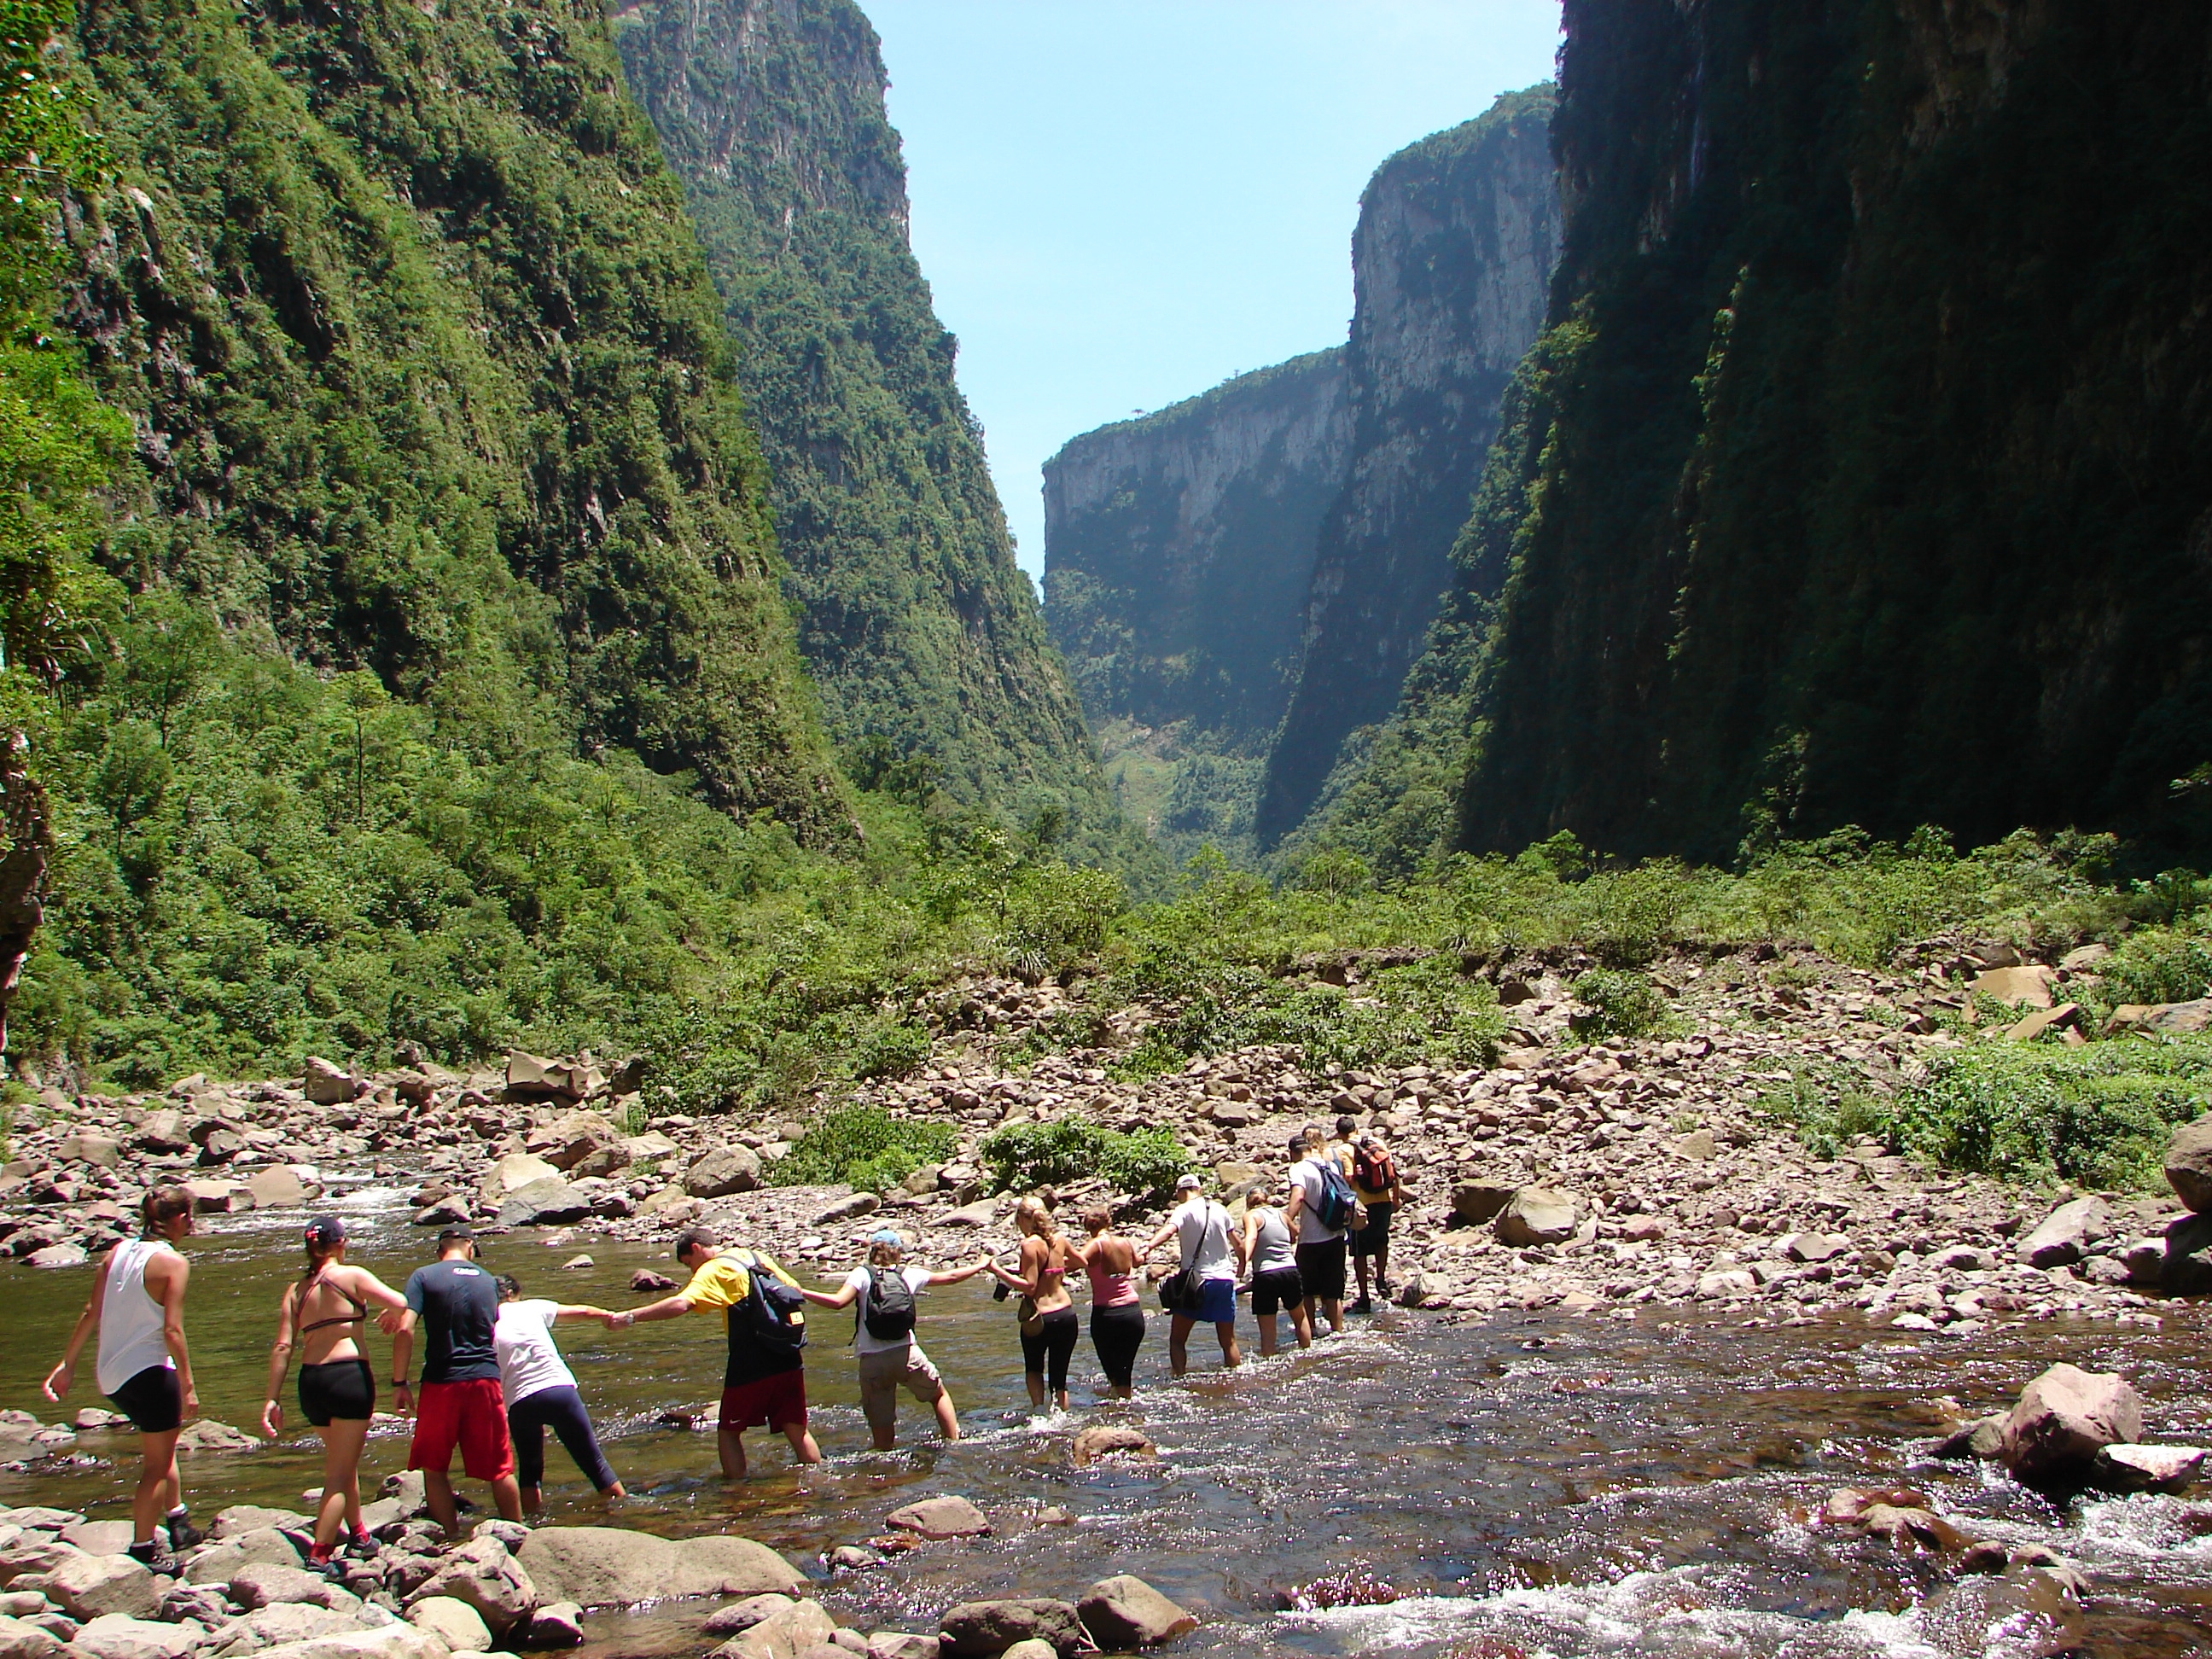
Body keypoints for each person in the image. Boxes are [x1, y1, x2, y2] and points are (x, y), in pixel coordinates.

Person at [41, 1186, 203, 1570]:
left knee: (160, 1446)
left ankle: (179, 1521)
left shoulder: (117, 1252)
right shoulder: (174, 1263)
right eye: (189, 1216)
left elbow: (91, 1310)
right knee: (156, 1466)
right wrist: (188, 1383)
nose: (192, 1223)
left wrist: (67, 1364)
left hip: (112, 1376)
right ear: (178, 1219)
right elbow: (173, 1331)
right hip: (150, 1372)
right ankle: (144, 1547)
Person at [258, 1217, 411, 1573]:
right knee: (339, 1475)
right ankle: (320, 1554)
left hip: (311, 1382)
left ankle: (358, 1533)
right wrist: (392, 1311)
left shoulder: (296, 1291)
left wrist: (272, 1398)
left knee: (342, 1461)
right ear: (340, 1243)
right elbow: (401, 1300)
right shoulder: (351, 1275)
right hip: (347, 1377)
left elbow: (283, 1345)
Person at [626, 1226, 822, 1476]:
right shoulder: (755, 1256)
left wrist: (630, 1317)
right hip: (788, 1353)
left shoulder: (714, 1268)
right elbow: (794, 1289)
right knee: (797, 1429)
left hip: (750, 1361)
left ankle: (735, 1494)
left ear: (696, 1249)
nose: (692, 1271)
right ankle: (818, 1481)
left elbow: (681, 1304)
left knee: (728, 1433)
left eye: (689, 1264)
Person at [797, 1229, 988, 1450]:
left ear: (872, 1251)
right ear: (898, 1252)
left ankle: (886, 1469)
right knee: (938, 1395)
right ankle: (954, 1442)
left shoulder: (862, 1274)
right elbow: (952, 1277)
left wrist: (802, 1291)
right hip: (906, 1353)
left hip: (872, 1360)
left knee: (882, 1430)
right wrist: (980, 1264)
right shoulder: (909, 1274)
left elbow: (838, 1302)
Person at [388, 1225, 522, 1535]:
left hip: (442, 1381)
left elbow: (405, 1329)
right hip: (486, 1381)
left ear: (440, 1250)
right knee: (500, 1469)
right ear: (471, 1248)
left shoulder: (424, 1276)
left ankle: (450, 1541)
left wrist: (399, 1382)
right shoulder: (490, 1282)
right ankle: (519, 1537)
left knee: (435, 1468)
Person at [491, 1276, 627, 1511]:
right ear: (514, 1293)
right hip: (558, 1390)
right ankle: (625, 1509)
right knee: (595, 1463)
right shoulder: (532, 1307)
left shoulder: (487, 1322)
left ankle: (531, 1523)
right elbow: (582, 1311)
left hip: (519, 1401)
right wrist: (607, 1316)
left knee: (530, 1470)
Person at [1142, 1173, 1243, 1377]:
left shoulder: (1182, 1210)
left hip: (1197, 1283)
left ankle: (1180, 1380)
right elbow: (1238, 1244)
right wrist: (1241, 1266)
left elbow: (1169, 1230)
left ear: (1180, 1192)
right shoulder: (1219, 1209)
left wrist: (1148, 1246)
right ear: (1199, 1189)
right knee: (1228, 1341)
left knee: (1178, 1340)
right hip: (1224, 1281)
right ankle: (1235, 1380)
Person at [983, 1196, 1079, 1411]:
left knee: (1034, 1369)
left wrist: (997, 1270)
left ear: (1021, 1220)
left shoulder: (1028, 1245)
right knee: (1059, 1378)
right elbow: (1081, 1262)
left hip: (1041, 1318)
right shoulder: (1059, 1240)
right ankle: (1062, 1418)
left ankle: (1039, 1414)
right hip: (1066, 1313)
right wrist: (1056, 1270)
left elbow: (1029, 1287)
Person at [1071, 1206, 1145, 1399]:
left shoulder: (1096, 1245)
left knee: (1113, 1373)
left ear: (1087, 1227)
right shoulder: (1125, 1242)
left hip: (1107, 1315)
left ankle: (1119, 1412)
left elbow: (1075, 1262)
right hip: (1133, 1313)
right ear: (1109, 1222)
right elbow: (1137, 1261)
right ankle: (1125, 1408)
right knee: (1125, 1372)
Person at [1287, 1127, 1352, 1336]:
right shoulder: (1331, 1165)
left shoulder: (1298, 1169)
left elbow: (1298, 1196)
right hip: (1336, 1235)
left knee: (1306, 1291)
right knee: (1334, 1293)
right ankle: (1338, 1331)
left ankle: (1311, 1330)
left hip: (1311, 1239)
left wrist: (1286, 1221)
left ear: (1293, 1153)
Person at [1242, 1183, 1313, 1358]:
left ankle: (1269, 1360)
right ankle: (1308, 1354)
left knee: (1267, 1329)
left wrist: (1243, 1262)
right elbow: (1294, 1233)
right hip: (1290, 1270)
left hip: (1266, 1274)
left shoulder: (1251, 1215)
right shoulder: (1281, 1214)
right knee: (1300, 1317)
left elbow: (1251, 1236)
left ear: (1248, 1202)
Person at [1347, 1124, 1404, 1313]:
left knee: (1359, 1251)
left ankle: (1364, 1296)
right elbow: (1392, 1173)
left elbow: (1347, 1177)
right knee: (1381, 1241)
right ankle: (1380, 1278)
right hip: (1383, 1201)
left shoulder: (1345, 1149)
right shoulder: (1378, 1143)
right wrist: (1395, 1198)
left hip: (1362, 1205)